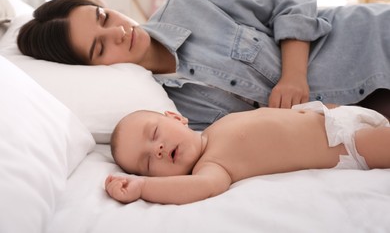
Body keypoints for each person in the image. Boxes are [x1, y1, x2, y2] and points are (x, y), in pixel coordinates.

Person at [17, 0, 390, 131]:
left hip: (369, 41)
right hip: (365, 114)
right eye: (100, 47)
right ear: (92, 70)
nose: (119, 31)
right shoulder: (171, 110)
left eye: (104, 16)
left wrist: (294, 75)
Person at [105, 101, 390, 205]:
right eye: (146, 163)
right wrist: (143, 187)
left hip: (335, 115)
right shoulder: (212, 166)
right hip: (348, 146)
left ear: (176, 117)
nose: (157, 149)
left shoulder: (216, 127)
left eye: (155, 134)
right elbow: (200, 188)